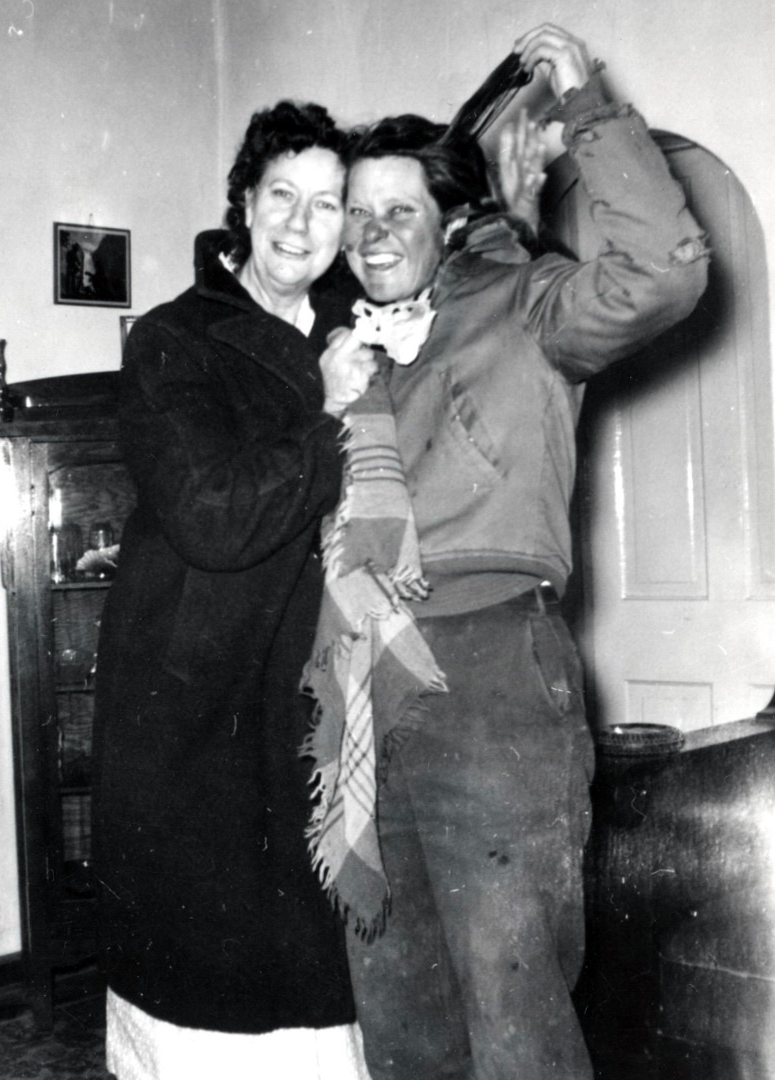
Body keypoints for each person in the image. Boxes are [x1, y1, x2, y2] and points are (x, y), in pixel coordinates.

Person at [306, 23, 709, 1080]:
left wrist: (587, 105)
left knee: (512, 1008)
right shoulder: (353, 351)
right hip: (367, 679)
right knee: (397, 1004)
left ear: (450, 219)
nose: (372, 233)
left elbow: (661, 274)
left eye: (399, 209)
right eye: (357, 215)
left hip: (490, 668)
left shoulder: (523, 302)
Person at [91, 99, 377, 1080]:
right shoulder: (175, 339)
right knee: (208, 984)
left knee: (321, 981)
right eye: (281, 195)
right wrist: (328, 412)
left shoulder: (358, 328)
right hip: (198, 700)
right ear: (243, 204)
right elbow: (211, 515)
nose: (300, 223)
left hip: (315, 691)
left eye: (327, 203)